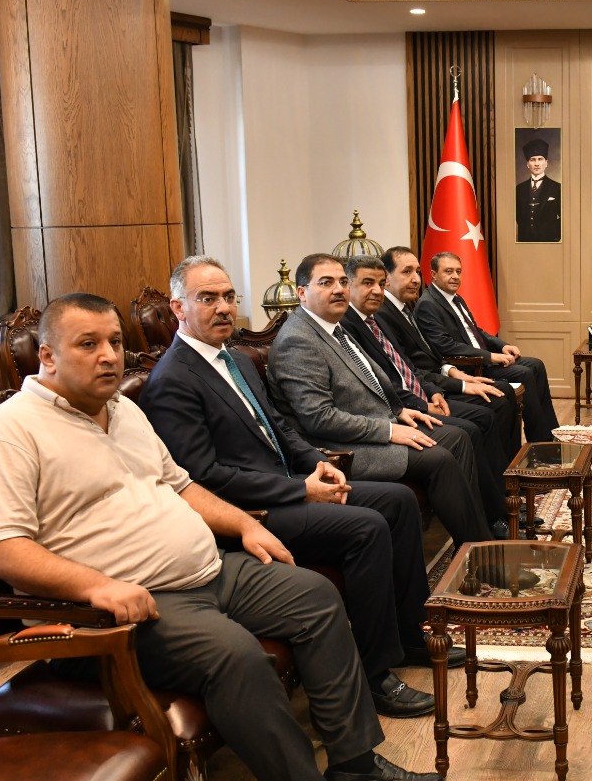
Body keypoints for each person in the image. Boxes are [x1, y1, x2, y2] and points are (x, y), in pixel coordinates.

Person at [0, 293, 442, 781]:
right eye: (88, 344)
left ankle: (356, 764)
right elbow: (2, 548)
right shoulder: (8, 433)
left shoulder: (123, 411)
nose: (109, 356)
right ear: (46, 355)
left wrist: (243, 525)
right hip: (128, 607)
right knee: (235, 655)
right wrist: (99, 585)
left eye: (114, 342)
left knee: (313, 596)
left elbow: (182, 485)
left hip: (210, 570)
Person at [139, 255, 458, 719]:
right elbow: (203, 477)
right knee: (367, 527)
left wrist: (319, 464)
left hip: (290, 481)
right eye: (207, 298)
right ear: (178, 308)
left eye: (229, 296)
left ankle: (410, 637)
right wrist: (299, 491)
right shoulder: (172, 379)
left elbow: (281, 429)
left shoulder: (236, 359)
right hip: (249, 511)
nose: (224, 307)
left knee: (398, 501)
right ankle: (374, 676)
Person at [268, 254, 495, 549]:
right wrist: (388, 430)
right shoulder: (298, 340)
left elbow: (373, 377)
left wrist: (400, 411)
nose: (338, 289)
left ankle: (479, 535)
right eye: (325, 283)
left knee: (458, 436)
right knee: (439, 458)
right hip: (342, 447)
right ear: (302, 292)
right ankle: (478, 550)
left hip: (377, 424)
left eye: (342, 282)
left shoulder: (333, 326)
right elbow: (319, 418)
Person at [339, 254, 511, 525]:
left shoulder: (374, 318)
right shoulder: (349, 324)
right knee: (469, 429)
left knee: (490, 408)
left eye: (379, 284)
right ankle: (492, 517)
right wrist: (421, 404)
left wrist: (434, 392)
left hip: (422, 394)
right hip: (395, 414)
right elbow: (382, 384)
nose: (377, 291)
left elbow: (406, 366)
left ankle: (502, 502)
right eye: (368, 283)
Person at [378, 245, 520, 463]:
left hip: (439, 378)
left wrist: (453, 371)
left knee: (503, 392)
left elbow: (431, 352)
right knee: (492, 406)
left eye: (417, 272)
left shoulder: (406, 306)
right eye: (407, 272)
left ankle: (513, 465)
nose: (416, 279)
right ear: (386, 278)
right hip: (426, 390)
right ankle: (504, 473)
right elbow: (410, 369)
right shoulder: (384, 314)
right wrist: (460, 384)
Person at [415, 251, 562, 442]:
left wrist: (502, 346)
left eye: (458, 271)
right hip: (470, 367)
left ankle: (550, 432)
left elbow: (476, 331)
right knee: (524, 373)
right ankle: (540, 441)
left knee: (536, 365)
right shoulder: (427, 304)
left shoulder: (456, 298)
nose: (455, 276)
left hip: (484, 358)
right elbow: (445, 346)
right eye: (448, 271)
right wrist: (490, 356)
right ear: (433, 275)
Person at [516, 137, 562, 243]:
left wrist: (554, 235)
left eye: (540, 159)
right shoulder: (519, 189)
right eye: (532, 159)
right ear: (528, 164)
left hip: (549, 243)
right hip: (525, 244)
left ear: (546, 163)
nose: (536, 163)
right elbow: (518, 217)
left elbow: (565, 217)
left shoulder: (557, 188)